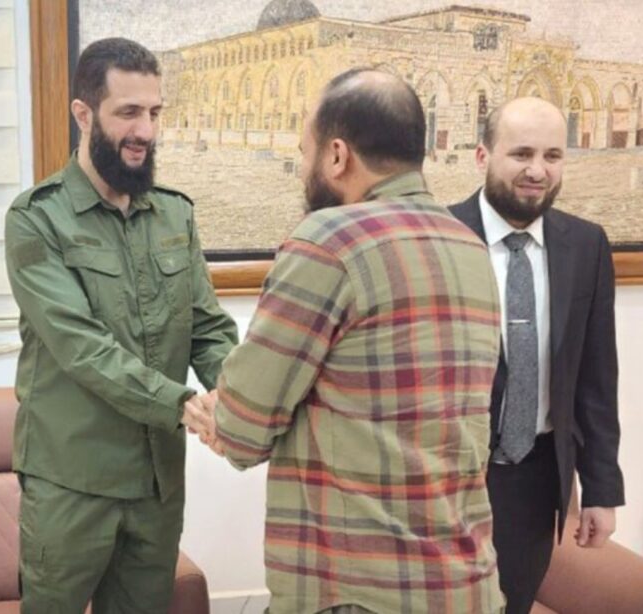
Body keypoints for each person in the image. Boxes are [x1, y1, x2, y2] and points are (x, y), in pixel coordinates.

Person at [202, 68, 505, 613]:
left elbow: (244, 429)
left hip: (357, 592)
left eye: (305, 151)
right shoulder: (470, 248)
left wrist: (218, 413)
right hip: (466, 584)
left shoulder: (330, 241)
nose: (303, 168)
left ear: (337, 156)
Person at [3, 37, 237, 613]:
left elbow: (206, 327)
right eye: (128, 112)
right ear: (84, 114)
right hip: (70, 484)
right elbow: (82, 348)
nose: (146, 131)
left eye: (155, 112)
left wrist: (238, 393)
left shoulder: (175, 213)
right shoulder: (37, 220)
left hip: (156, 486)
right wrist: (185, 404)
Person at [448, 97, 625, 614]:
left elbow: (596, 377)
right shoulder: (439, 236)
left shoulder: (586, 245)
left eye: (553, 156)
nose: (537, 171)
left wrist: (600, 489)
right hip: (449, 477)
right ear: (482, 157)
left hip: (535, 477)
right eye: (521, 153)